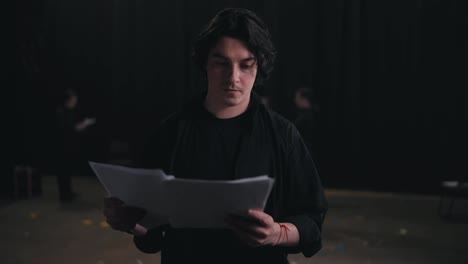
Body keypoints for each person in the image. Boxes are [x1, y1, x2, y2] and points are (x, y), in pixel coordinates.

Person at [103, 8, 327, 263]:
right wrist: (130, 222)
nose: (234, 78)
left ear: (259, 67)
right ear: (205, 63)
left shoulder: (284, 135)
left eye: (246, 65)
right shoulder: (169, 134)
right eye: (221, 63)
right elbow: (150, 238)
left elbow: (312, 223)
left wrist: (275, 234)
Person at [54, 89, 95, 202]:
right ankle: (64, 195)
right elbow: (66, 128)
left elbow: (73, 127)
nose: (75, 103)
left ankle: (68, 192)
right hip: (61, 146)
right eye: (73, 101)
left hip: (68, 145)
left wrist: (81, 125)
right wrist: (80, 126)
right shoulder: (60, 111)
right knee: (63, 171)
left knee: (67, 170)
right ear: (68, 100)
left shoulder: (69, 111)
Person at [292, 85, 321, 159]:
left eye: (297, 97)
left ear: (304, 99)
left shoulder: (307, 116)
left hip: (307, 152)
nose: (295, 100)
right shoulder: (312, 113)